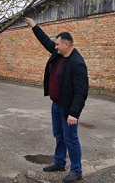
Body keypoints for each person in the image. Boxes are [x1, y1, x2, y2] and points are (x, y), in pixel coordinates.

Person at [24, 17, 88, 183]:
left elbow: (81, 91)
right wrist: (33, 25)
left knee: (71, 139)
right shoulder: (58, 53)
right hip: (56, 105)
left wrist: (74, 113)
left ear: (66, 44)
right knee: (59, 135)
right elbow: (45, 40)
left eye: (58, 44)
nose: (55, 46)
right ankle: (59, 162)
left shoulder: (77, 63)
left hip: (68, 109)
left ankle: (76, 170)